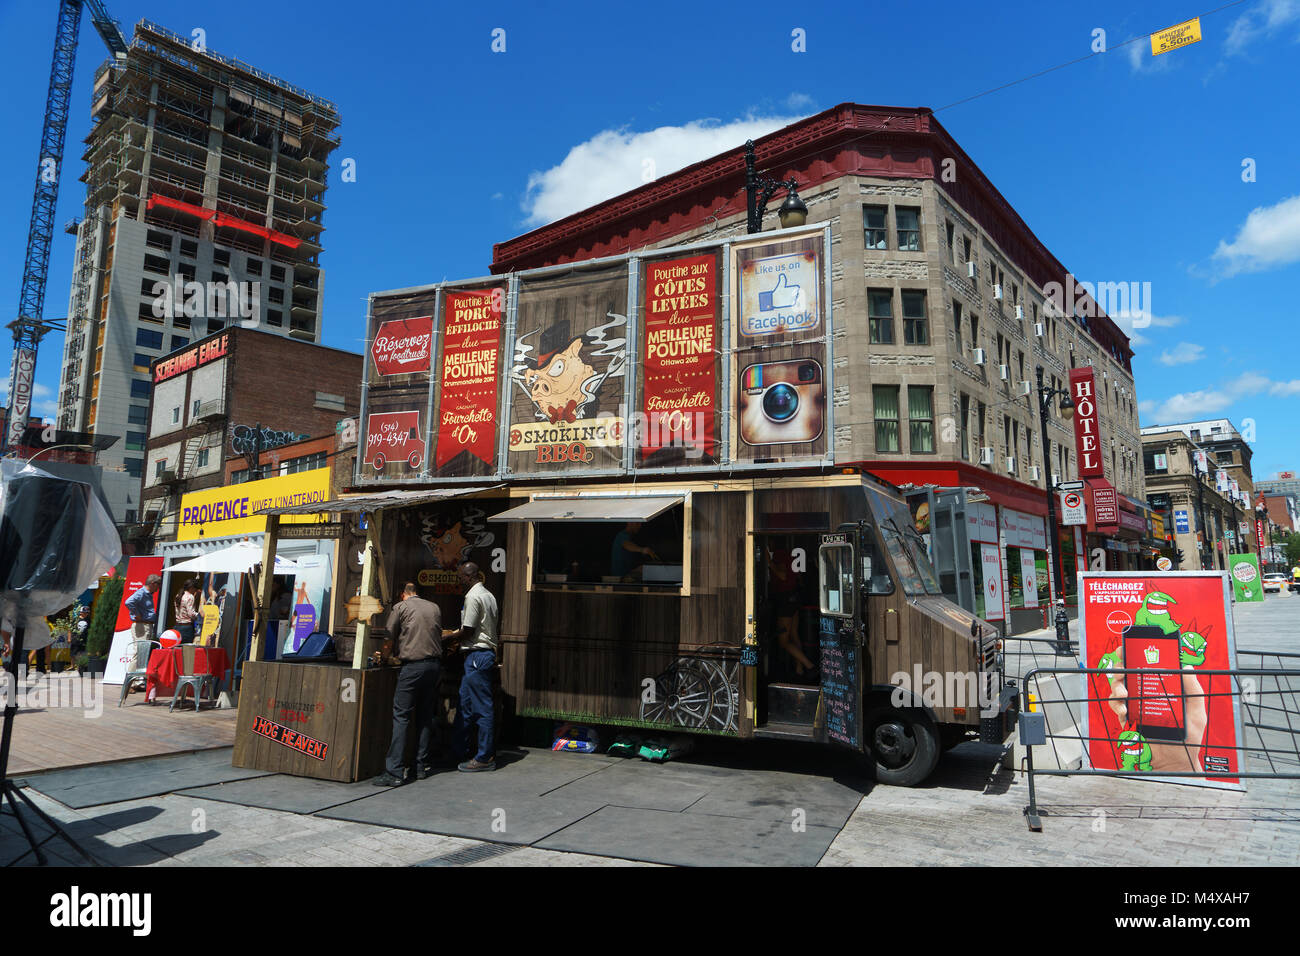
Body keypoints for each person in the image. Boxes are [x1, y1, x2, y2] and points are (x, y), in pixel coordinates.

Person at [374, 583, 443, 787]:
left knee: (401, 716)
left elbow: (389, 637)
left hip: (412, 667)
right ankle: (419, 767)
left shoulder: (400, 607)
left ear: (403, 594)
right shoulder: (434, 607)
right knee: (424, 717)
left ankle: (394, 772)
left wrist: (384, 657)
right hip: (433, 666)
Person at [444, 561, 500, 772]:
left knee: (482, 707)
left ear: (468, 577)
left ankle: (485, 757)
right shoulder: (489, 595)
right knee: (465, 706)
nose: (459, 580)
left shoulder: (473, 596)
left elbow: (468, 630)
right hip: (481, 655)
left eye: (461, 577)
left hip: (477, 654)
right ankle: (459, 751)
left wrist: (447, 637)